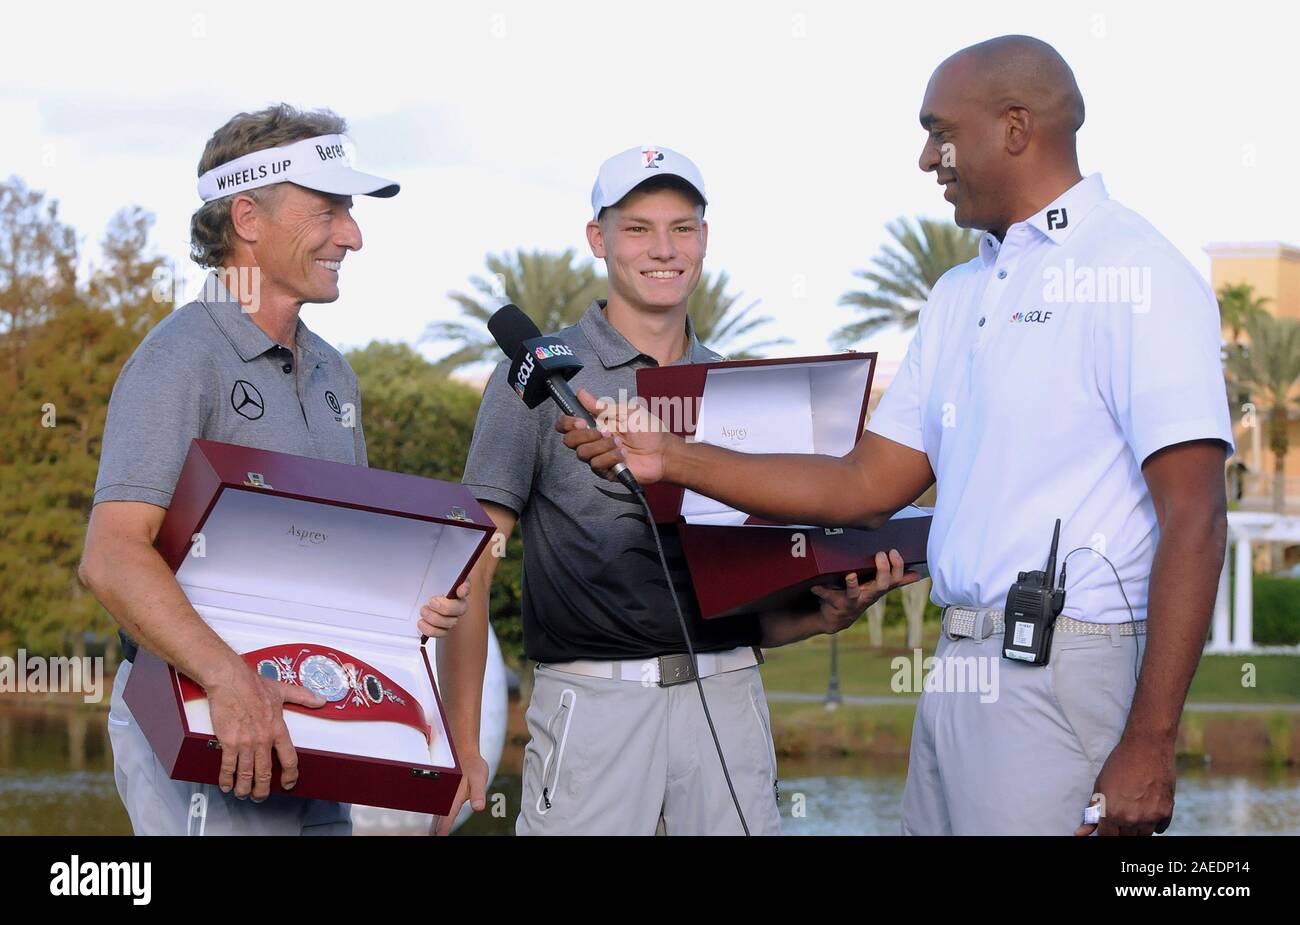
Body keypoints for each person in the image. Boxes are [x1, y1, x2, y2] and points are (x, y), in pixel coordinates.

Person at [558, 38, 1234, 836]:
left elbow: (1196, 514)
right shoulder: (959, 292)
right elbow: (864, 483)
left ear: (1016, 128)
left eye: (939, 133)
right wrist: (672, 457)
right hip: (960, 666)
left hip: (1068, 669)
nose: (925, 159)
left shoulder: (1138, 273)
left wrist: (1151, 737)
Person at [444, 145, 915, 836]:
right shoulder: (537, 377)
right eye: (638, 228)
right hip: (592, 706)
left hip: (729, 697)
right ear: (598, 239)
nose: (663, 248)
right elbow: (473, 564)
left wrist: (821, 616)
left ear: (704, 238)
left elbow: (740, 596)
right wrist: (462, 739)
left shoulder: (737, 385)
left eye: (682, 227)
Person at [79, 104, 469, 836]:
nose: (352, 235)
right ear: (248, 218)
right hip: (208, 723)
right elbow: (112, 556)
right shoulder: (176, 361)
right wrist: (230, 679)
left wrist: (409, 599)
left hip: (315, 728)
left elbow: (330, 561)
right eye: (328, 211)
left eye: (349, 213)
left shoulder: (334, 374)